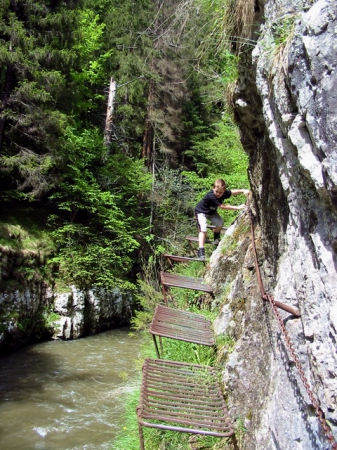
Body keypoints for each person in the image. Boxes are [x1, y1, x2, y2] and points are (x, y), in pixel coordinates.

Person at [195, 179, 249, 259]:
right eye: (216, 191)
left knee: (220, 223)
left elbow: (232, 192)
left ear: (223, 190)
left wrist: (243, 190)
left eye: (220, 192)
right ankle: (201, 250)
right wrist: (238, 207)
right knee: (203, 229)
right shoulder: (211, 195)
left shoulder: (223, 193)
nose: (218, 194)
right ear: (213, 188)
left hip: (211, 212)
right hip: (201, 212)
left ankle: (216, 236)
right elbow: (223, 206)